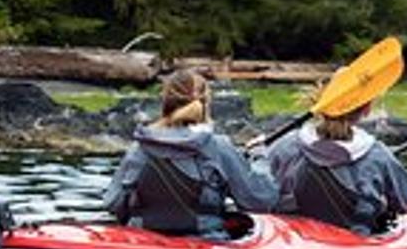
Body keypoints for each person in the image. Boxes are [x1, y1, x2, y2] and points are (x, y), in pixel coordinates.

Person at [102, 69, 279, 239]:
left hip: (144, 242)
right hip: (205, 243)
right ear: (206, 104)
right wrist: (259, 157)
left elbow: (113, 203)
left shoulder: (140, 147)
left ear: (165, 104)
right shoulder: (219, 147)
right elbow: (261, 199)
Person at [266, 102, 407, 235]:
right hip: (356, 240)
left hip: (293, 239)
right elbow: (405, 203)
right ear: (367, 109)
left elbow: (261, 194)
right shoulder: (378, 155)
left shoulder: (284, 146)